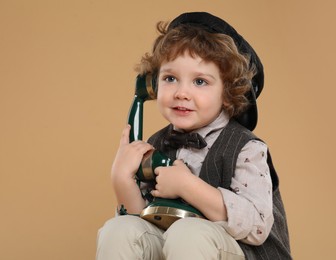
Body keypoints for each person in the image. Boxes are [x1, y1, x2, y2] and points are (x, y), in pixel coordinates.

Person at [96, 12, 291, 260]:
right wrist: (122, 180)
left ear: (228, 92)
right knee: (120, 230)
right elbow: (145, 221)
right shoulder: (156, 145)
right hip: (180, 247)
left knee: (189, 233)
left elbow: (257, 226)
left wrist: (187, 186)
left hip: (240, 252)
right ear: (152, 85)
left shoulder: (245, 148)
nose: (181, 93)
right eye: (170, 78)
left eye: (199, 81)